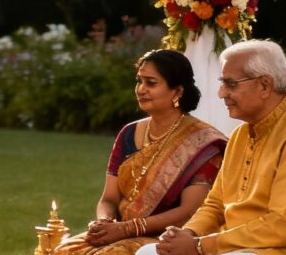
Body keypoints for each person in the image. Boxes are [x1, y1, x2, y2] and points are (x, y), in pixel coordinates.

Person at [143, 40, 286, 255]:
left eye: (230, 84)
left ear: (264, 85)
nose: (221, 93)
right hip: (241, 247)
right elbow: (215, 205)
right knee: (148, 253)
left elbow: (283, 226)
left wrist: (200, 246)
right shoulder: (241, 135)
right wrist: (189, 233)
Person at [54, 50, 226, 255]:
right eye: (139, 81)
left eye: (151, 83)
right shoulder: (129, 133)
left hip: (168, 237)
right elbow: (109, 198)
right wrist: (103, 222)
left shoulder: (203, 143)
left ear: (177, 91)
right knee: (63, 250)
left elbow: (189, 212)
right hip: (118, 231)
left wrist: (128, 228)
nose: (141, 89)